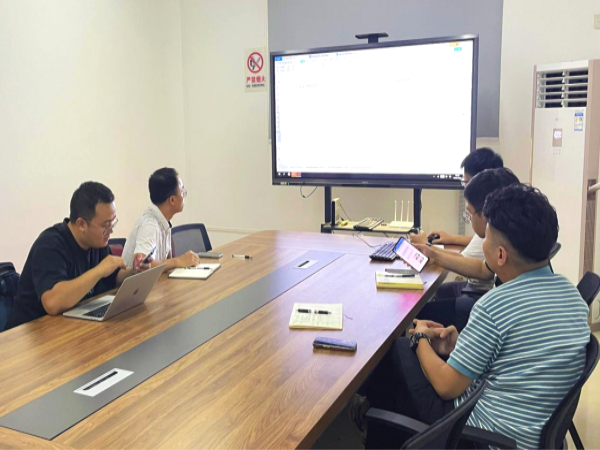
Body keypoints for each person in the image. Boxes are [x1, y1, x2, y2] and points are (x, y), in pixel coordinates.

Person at [361, 184, 590, 450]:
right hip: (531, 431)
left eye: (486, 239)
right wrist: (459, 344)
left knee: (399, 348)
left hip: (479, 437)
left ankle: (374, 421)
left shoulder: (495, 306)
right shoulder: (571, 296)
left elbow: (446, 386)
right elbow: (523, 353)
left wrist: (420, 338)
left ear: (500, 255)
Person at [5, 182, 147, 330]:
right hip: (30, 333)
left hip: (70, 325)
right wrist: (99, 270)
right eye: (105, 225)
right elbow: (52, 303)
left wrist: (135, 270)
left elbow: (114, 277)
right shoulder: (49, 245)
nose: (110, 230)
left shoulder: (96, 241)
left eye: (112, 223)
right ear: (81, 224)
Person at [414, 167, 519, 331]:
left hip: (482, 307)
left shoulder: (493, 309)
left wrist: (420, 338)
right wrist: (434, 255)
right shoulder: (514, 241)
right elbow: (484, 269)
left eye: (470, 213)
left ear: (487, 213)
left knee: (417, 317)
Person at [122, 168, 200, 270]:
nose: (184, 195)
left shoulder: (164, 221)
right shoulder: (149, 225)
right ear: (172, 200)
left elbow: (167, 261)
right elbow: (142, 267)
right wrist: (178, 261)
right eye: (182, 191)